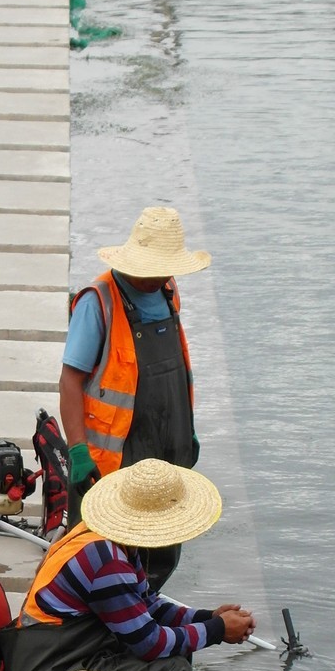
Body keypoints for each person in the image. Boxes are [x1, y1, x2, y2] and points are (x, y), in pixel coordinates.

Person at [3, 458, 255, 671]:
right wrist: (218, 630)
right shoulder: (106, 561)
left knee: (182, 646)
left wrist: (208, 617)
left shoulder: (109, 540)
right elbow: (151, 643)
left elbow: (148, 605)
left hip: (63, 658)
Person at [61, 205, 209, 587]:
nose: (154, 277)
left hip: (166, 461)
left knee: (158, 561)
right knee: (100, 569)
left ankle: (147, 629)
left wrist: (186, 433)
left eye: (161, 268)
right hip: (110, 466)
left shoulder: (168, 292)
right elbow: (70, 380)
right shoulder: (99, 303)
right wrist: (77, 451)